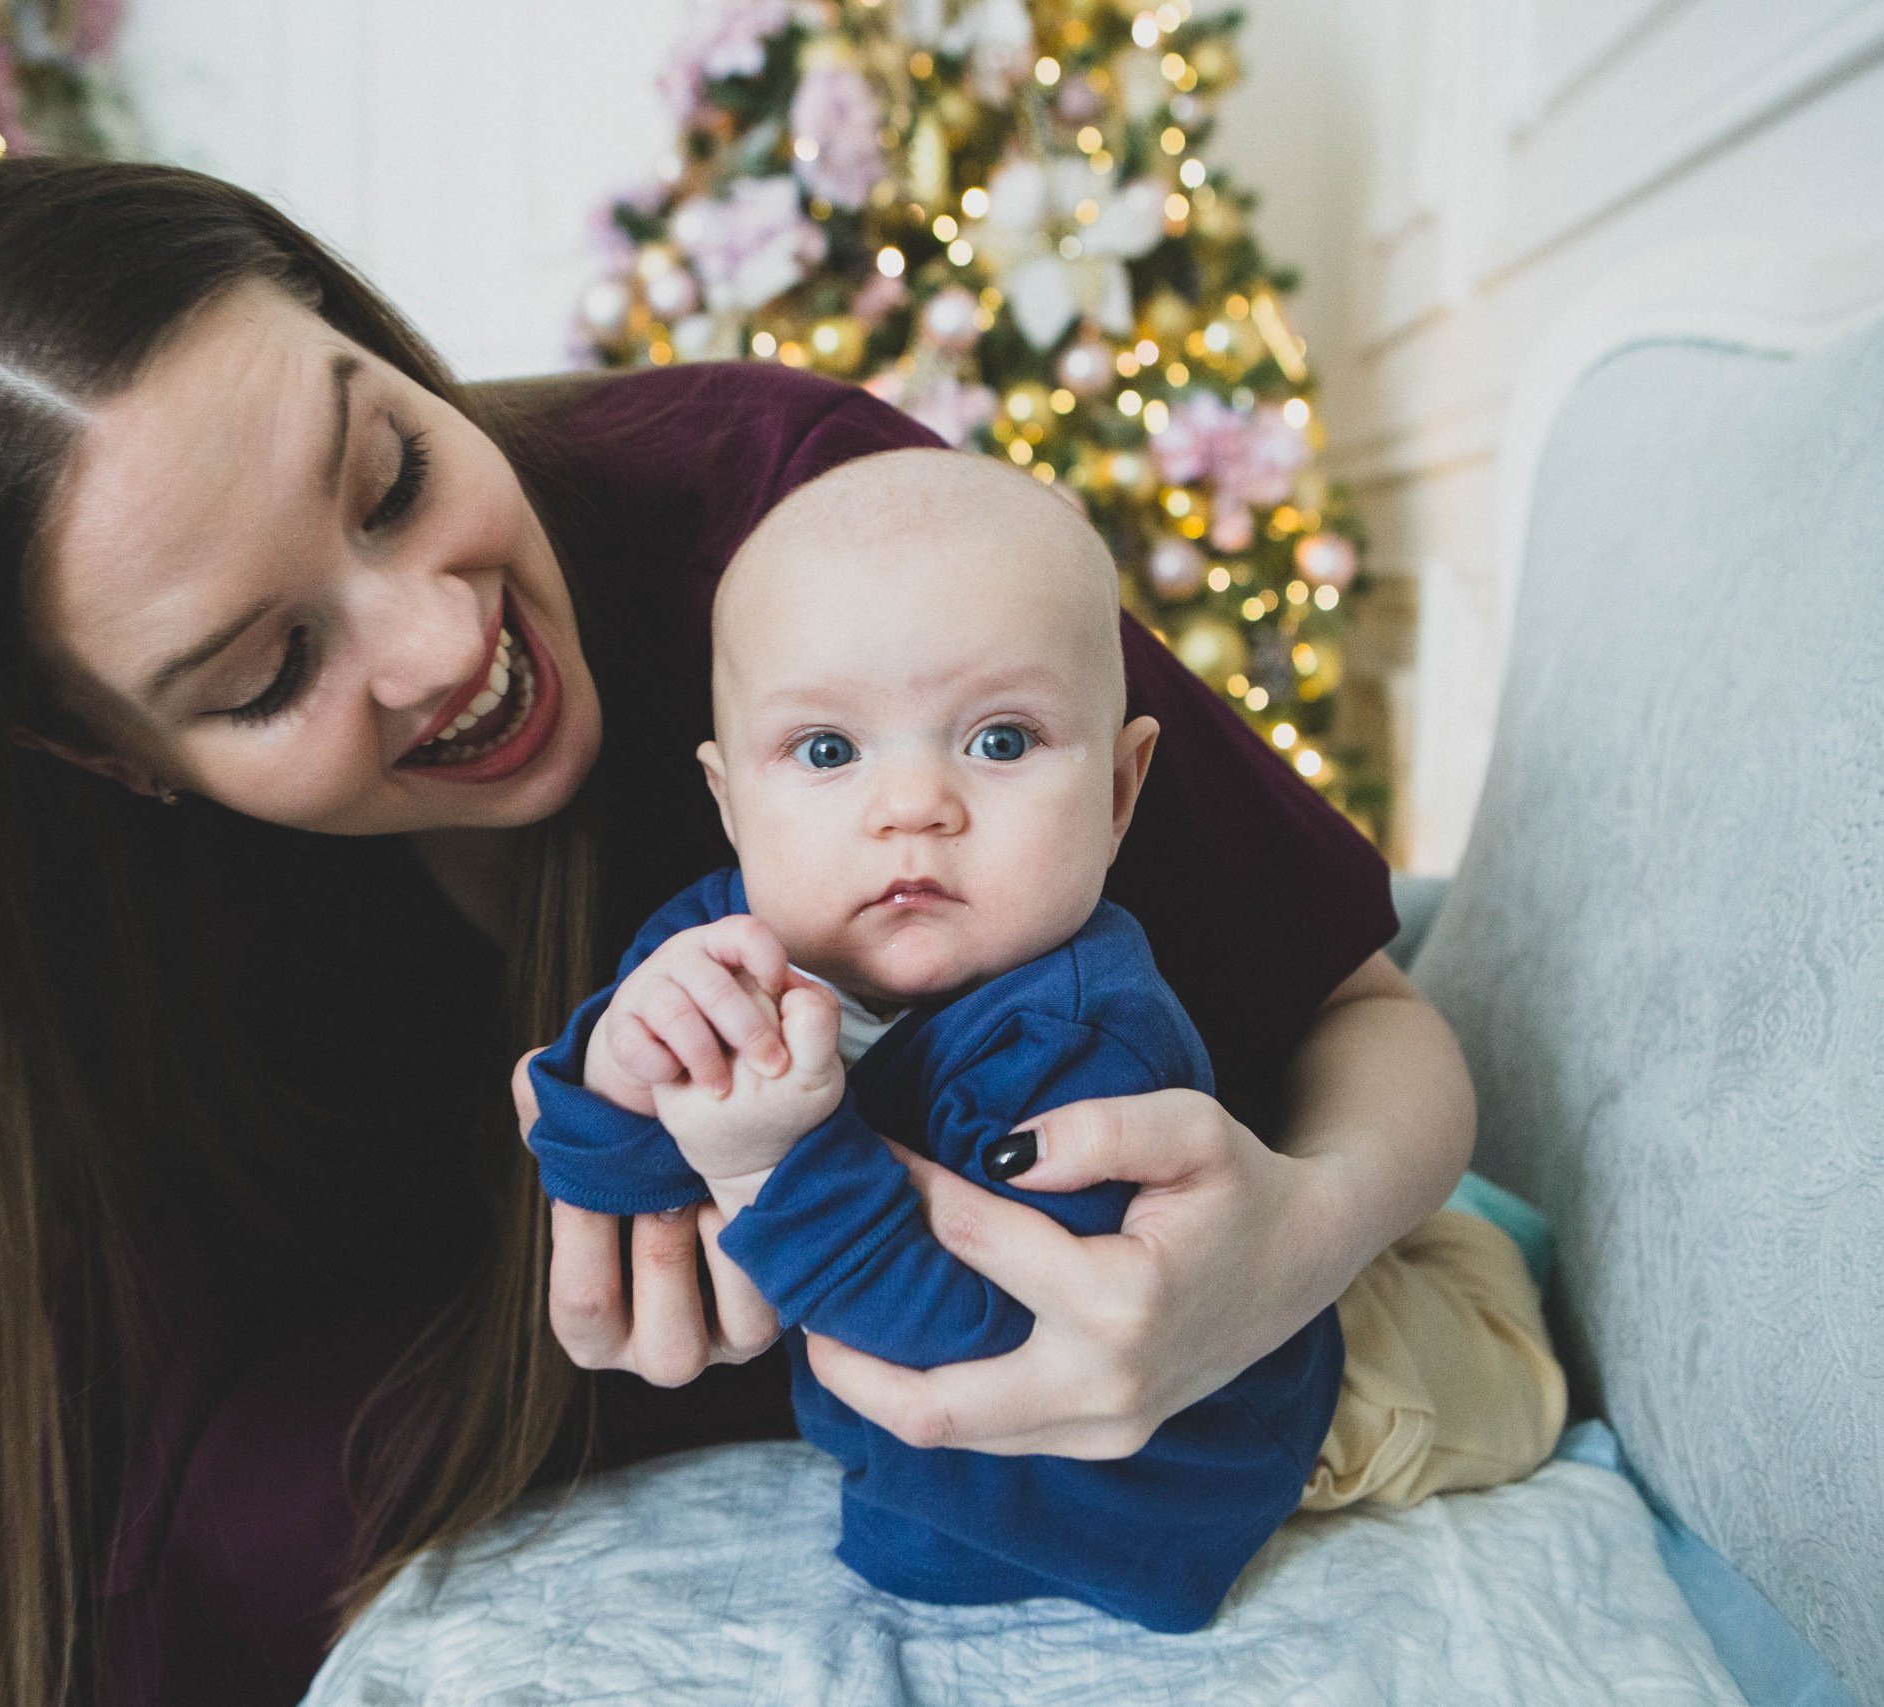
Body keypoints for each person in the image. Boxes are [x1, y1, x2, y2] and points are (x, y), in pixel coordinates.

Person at [0, 159, 1479, 1707]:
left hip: (931, 1304)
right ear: (99, 756)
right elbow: (43, 1394)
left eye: (393, 471)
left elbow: (1371, 1010)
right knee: (196, 1524)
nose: (434, 644)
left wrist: (1300, 1239)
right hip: (558, 1283)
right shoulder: (82, 904)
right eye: (267, 674)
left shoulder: (816, 550)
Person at [523, 449, 1565, 1631]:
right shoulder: (717, 944)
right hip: (961, 1473)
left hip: (1271, 1400)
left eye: (1001, 741)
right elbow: (613, 1181)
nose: (911, 805)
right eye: (826, 751)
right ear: (728, 803)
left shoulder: (1078, 1038)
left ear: (1119, 795)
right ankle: (1468, 1231)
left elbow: (1004, 1339)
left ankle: (1483, 1255)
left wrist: (765, 1163)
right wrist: (614, 1073)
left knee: (1499, 1389)